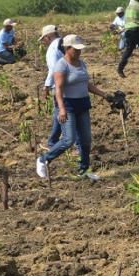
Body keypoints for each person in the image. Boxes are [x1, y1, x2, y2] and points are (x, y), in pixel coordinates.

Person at [36, 35, 112, 181]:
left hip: (83, 104)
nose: (79, 52)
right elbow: (58, 88)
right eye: (75, 49)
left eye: (80, 49)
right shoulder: (61, 65)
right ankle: (44, 159)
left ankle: (83, 170)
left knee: (86, 140)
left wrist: (104, 95)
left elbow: (86, 84)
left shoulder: (82, 64)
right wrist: (62, 108)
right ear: (67, 48)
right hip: (67, 105)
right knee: (68, 139)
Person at [40, 24, 66, 148]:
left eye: (44, 38)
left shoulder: (52, 49)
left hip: (60, 85)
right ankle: (53, 140)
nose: (44, 42)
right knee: (58, 110)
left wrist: (46, 86)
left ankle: (72, 142)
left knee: (63, 111)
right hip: (71, 82)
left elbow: (54, 69)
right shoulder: (65, 43)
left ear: (49, 36)